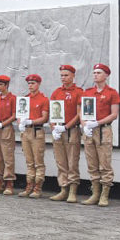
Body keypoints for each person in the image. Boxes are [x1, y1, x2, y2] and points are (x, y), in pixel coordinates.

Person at [81, 63, 120, 207]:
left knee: (104, 163)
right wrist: (84, 124)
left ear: (106, 75)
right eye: (94, 72)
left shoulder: (112, 92)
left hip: (103, 130)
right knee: (92, 163)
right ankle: (95, 193)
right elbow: (82, 111)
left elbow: (114, 114)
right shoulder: (88, 92)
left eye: (98, 72)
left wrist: (97, 123)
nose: (95, 75)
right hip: (90, 130)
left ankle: (104, 194)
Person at [49, 64, 83, 202]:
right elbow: (52, 112)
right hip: (58, 130)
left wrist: (67, 126)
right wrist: (53, 127)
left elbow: (79, 113)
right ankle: (63, 188)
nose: (63, 78)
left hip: (72, 130)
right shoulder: (57, 92)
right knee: (61, 161)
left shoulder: (79, 92)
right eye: (62, 75)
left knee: (72, 161)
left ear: (73, 76)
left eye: (66, 75)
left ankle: (73, 191)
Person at [18, 73, 50, 198]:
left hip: (37, 131)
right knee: (29, 161)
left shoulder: (43, 99)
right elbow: (20, 114)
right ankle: (29, 185)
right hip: (26, 132)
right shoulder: (25, 99)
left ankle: (38, 187)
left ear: (38, 84)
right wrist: (21, 122)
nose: (30, 86)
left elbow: (44, 118)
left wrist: (31, 121)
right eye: (29, 83)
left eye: (33, 83)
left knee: (38, 161)